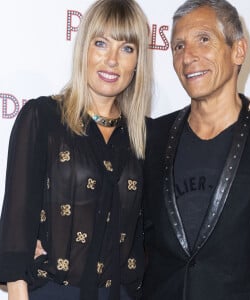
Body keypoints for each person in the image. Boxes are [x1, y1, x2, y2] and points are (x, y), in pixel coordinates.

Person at [142, 0, 250, 299]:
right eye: (178, 46)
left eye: (204, 39)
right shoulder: (153, 135)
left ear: (238, 50)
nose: (188, 56)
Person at [0, 0, 153, 299]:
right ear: (84, 48)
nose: (112, 60)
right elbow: (16, 228)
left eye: (126, 48)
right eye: (101, 43)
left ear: (137, 61)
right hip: (54, 292)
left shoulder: (147, 134)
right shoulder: (42, 117)